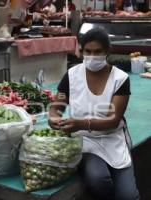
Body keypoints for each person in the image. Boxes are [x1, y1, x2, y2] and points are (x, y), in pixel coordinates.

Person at [49, 28, 140, 200]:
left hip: (112, 137)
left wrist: (81, 123)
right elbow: (57, 106)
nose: (92, 56)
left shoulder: (120, 79)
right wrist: (54, 117)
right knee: (98, 178)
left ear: (107, 51)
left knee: (128, 196)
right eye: (88, 51)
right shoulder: (72, 75)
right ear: (81, 51)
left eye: (98, 51)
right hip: (84, 141)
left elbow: (114, 120)